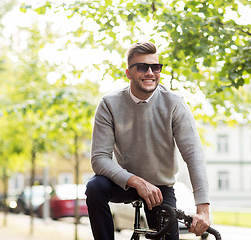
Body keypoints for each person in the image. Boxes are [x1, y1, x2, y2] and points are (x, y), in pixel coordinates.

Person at [85, 42, 210, 240]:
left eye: (155, 67)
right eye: (142, 67)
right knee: (95, 187)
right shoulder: (109, 104)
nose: (150, 72)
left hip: (160, 188)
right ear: (128, 73)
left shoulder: (175, 103)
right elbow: (99, 158)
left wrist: (203, 208)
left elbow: (193, 155)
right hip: (125, 183)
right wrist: (135, 181)